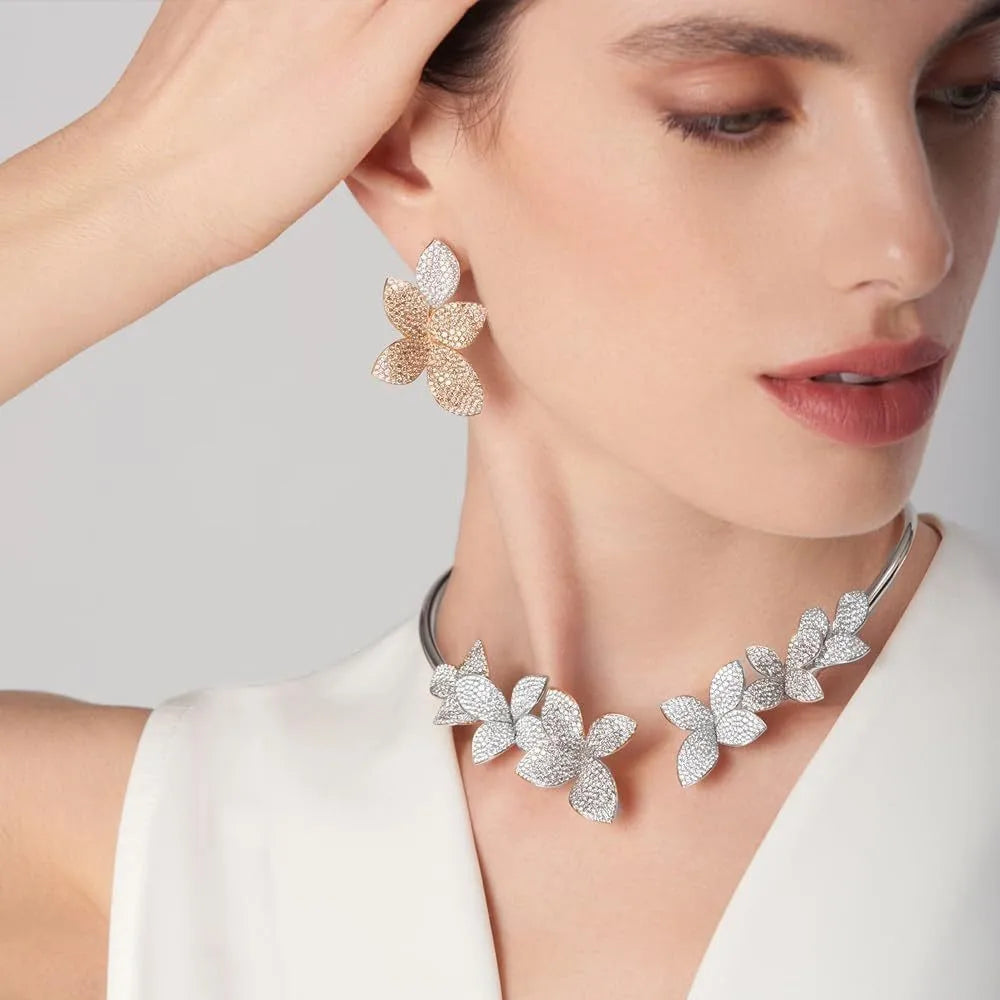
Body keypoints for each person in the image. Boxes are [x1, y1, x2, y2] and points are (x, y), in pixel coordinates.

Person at [1, 0, 999, 996]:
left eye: (966, 92)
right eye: (732, 114)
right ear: (396, 149)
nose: (915, 246)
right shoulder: (173, 855)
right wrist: (141, 174)